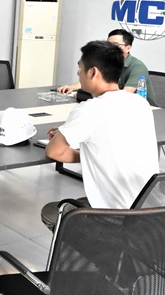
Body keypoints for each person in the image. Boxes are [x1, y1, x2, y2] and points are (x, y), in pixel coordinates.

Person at [41, 41, 159, 231]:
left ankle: (102, 248)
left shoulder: (89, 109)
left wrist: (72, 143)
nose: (78, 74)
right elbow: (116, 138)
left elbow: (54, 152)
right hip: (153, 212)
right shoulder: (140, 103)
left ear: (93, 72)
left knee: (50, 211)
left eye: (80, 68)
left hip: (116, 217)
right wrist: (70, 131)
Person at [57, 28, 156, 106]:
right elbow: (94, 78)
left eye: (116, 45)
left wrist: (85, 96)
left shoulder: (137, 67)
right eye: (109, 44)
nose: (111, 48)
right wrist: (71, 87)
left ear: (128, 48)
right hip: (113, 107)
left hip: (143, 110)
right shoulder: (107, 62)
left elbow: (124, 96)